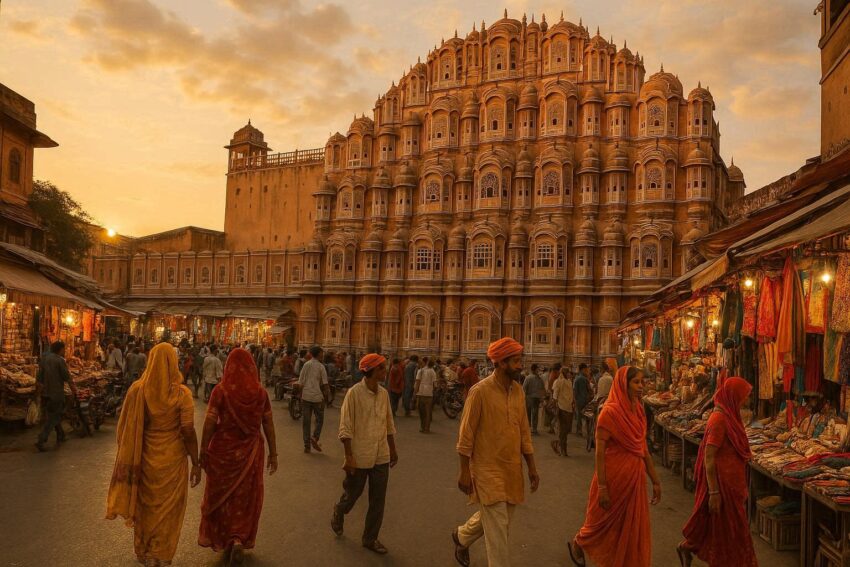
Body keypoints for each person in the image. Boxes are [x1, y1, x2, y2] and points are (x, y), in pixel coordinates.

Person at [106, 342, 201, 567]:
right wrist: (196, 462)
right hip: (173, 459)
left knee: (146, 506)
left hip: (145, 458)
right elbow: (188, 430)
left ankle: (146, 551)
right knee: (169, 510)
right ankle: (161, 554)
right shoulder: (182, 394)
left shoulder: (138, 390)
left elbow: (125, 428)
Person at [453, 337, 540, 567]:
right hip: (486, 469)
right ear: (501, 363)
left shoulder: (518, 392)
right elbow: (466, 435)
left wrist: (531, 467)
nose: (520, 366)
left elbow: (524, 432)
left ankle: (462, 536)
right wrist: (464, 471)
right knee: (499, 528)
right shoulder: (479, 392)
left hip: (511, 469)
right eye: (516, 361)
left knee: (499, 519)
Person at [568, 366, 661, 567]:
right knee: (601, 522)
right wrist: (602, 487)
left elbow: (643, 449)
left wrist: (655, 481)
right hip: (612, 479)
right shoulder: (609, 413)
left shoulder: (639, 410)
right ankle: (580, 541)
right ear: (623, 384)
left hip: (634, 479)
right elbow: (599, 453)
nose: (641, 386)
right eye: (636, 382)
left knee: (629, 528)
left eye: (642, 382)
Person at [198, 348, 278, 564]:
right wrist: (274, 453)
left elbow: (210, 421)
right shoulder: (260, 393)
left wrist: (203, 450)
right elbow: (268, 423)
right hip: (251, 453)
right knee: (246, 498)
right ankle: (238, 538)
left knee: (223, 498)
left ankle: (226, 537)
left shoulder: (221, 391)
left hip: (223, 453)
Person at [677, 377, 757, 567]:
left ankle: (688, 547)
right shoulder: (719, 420)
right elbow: (709, 457)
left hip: (731, 484)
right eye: (744, 396)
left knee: (722, 530)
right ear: (733, 396)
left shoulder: (729, 416)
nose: (746, 400)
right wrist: (714, 492)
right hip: (722, 486)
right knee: (730, 533)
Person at [332, 353, 398, 555]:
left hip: (381, 454)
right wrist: (349, 456)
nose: (385, 371)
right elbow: (345, 428)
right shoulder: (354, 394)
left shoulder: (384, 394)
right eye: (381, 368)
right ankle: (339, 510)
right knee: (352, 494)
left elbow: (389, 423)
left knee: (378, 500)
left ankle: (370, 538)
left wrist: (393, 449)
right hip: (359, 454)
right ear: (371, 371)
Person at [35, 341, 78, 452]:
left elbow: (39, 377)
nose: (65, 351)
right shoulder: (60, 360)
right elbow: (67, 377)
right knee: (53, 417)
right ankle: (41, 439)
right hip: (56, 393)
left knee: (54, 414)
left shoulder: (44, 359)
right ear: (60, 349)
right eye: (64, 349)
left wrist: (38, 393)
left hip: (45, 393)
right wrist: (74, 390)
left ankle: (61, 435)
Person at [298, 345, 330, 453]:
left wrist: (300, 395)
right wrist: (327, 397)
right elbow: (325, 384)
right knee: (320, 420)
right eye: (322, 353)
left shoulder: (306, 365)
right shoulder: (321, 367)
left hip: (306, 396)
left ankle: (307, 446)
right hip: (317, 397)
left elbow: (301, 382)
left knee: (306, 422)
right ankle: (315, 437)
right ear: (319, 354)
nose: (323, 355)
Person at [550, 368, 575, 457]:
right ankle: (563, 448)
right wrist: (554, 404)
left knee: (567, 429)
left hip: (569, 408)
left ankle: (558, 444)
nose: (569, 374)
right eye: (568, 372)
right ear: (564, 373)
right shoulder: (558, 382)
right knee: (563, 429)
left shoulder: (569, 382)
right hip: (561, 408)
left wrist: (573, 402)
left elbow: (571, 394)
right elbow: (555, 394)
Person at [414, 357, 437, 433]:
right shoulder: (433, 371)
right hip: (429, 394)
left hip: (421, 393)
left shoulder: (420, 371)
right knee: (428, 412)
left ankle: (422, 427)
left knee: (421, 412)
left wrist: (415, 393)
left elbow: (417, 382)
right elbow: (435, 384)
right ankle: (427, 428)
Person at [521, 364, 546, 435]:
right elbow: (542, 389)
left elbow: (524, 388)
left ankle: (530, 429)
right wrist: (541, 398)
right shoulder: (536, 378)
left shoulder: (529, 378)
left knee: (530, 414)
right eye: (537, 369)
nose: (538, 371)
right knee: (533, 414)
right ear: (534, 369)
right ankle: (532, 429)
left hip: (530, 398)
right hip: (533, 398)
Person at [574, 364, 591, 436]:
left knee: (579, 416)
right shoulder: (585, 379)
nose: (587, 371)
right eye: (586, 370)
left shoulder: (577, 378)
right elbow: (589, 390)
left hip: (579, 400)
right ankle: (588, 430)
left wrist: (575, 400)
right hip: (585, 400)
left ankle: (579, 430)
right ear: (583, 369)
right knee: (587, 416)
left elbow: (575, 391)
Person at [544, 363, 561, 434]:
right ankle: (552, 426)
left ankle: (552, 427)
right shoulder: (553, 375)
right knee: (555, 413)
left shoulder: (551, 374)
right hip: (553, 396)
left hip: (551, 396)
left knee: (553, 413)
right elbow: (551, 388)